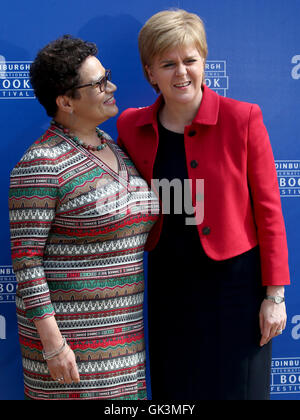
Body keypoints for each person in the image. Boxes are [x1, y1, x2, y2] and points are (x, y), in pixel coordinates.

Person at [117, 9, 290, 400]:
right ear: (150, 73)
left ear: (204, 62)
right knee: (176, 393)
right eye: (168, 63)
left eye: (190, 60)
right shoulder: (131, 126)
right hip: (170, 287)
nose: (182, 72)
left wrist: (274, 297)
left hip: (237, 287)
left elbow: (269, 213)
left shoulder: (243, 118)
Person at [8, 35, 159, 400]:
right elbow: (27, 263)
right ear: (65, 102)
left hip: (125, 346)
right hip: (72, 357)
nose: (113, 86)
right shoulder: (41, 164)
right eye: (99, 83)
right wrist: (55, 347)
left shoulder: (114, 147)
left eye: (106, 76)